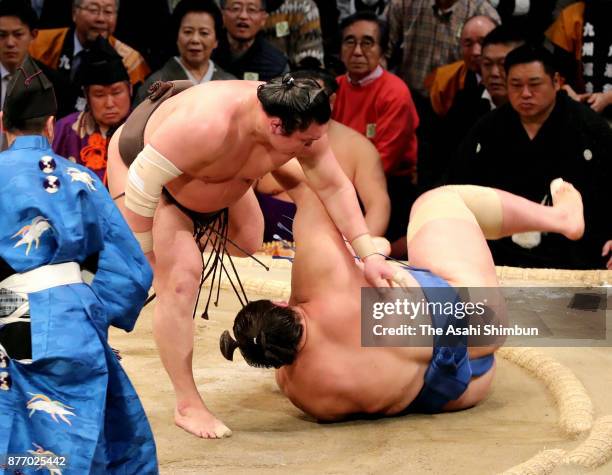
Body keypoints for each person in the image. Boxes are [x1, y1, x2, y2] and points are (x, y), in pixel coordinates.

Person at [106, 74, 399, 438]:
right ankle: (187, 405)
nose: (314, 145)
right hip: (148, 177)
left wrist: (368, 251)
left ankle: (192, 228)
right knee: (180, 279)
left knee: (248, 238)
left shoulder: (298, 119)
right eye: (306, 141)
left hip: (223, 176)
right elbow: (142, 182)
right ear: (276, 126)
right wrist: (148, 253)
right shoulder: (207, 123)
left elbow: (334, 184)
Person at [221, 160, 585, 421]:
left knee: (383, 289)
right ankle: (561, 219)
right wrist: (254, 159)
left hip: (459, 389)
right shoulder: (323, 285)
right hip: (477, 317)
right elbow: (310, 189)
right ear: (282, 302)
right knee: (436, 202)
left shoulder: (303, 393)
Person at [0, 57, 157, 473]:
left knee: (17, 432)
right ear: (51, 125)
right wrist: (91, 310)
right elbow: (132, 271)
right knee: (92, 436)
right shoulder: (80, 177)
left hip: (9, 308)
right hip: (73, 312)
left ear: (3, 122)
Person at [448, 43, 611, 269]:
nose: (525, 94)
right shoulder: (487, 130)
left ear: (556, 82)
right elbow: (458, 187)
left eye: (534, 84)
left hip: (577, 255)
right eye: (516, 85)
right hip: (500, 256)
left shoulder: (591, 129)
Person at [255, 69, 391, 240]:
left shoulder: (359, 147)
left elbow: (378, 205)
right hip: (260, 242)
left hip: (331, 244)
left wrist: (361, 250)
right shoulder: (267, 135)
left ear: (331, 100)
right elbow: (240, 195)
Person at [332, 12, 419, 255]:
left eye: (367, 43)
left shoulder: (395, 93)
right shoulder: (334, 88)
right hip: (338, 185)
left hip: (387, 187)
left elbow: (384, 162)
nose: (358, 51)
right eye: (350, 42)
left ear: (382, 51)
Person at [28, 0, 150, 112]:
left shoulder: (130, 60)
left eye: (108, 11)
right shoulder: (39, 44)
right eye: (93, 10)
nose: (101, 19)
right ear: (74, 12)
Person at [53, 36, 131, 185]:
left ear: (130, 89)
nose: (109, 103)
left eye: (116, 92)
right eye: (99, 94)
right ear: (86, 96)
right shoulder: (64, 129)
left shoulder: (146, 127)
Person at [134, 0, 235, 106]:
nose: (195, 39)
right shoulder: (154, 84)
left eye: (204, 33)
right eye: (188, 32)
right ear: (176, 36)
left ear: (216, 41)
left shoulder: (230, 84)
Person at [545, 0, 612, 119]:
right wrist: (567, 92)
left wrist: (608, 98)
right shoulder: (571, 16)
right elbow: (557, 72)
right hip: (580, 112)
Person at [426, 15, 497, 117]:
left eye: (483, 42)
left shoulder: (513, 77)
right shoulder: (447, 79)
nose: (475, 52)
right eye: (468, 44)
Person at [212, 0, 289, 81]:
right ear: (222, 14)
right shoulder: (206, 53)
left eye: (252, 9)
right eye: (236, 8)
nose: (243, 16)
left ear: (263, 18)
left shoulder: (277, 65)